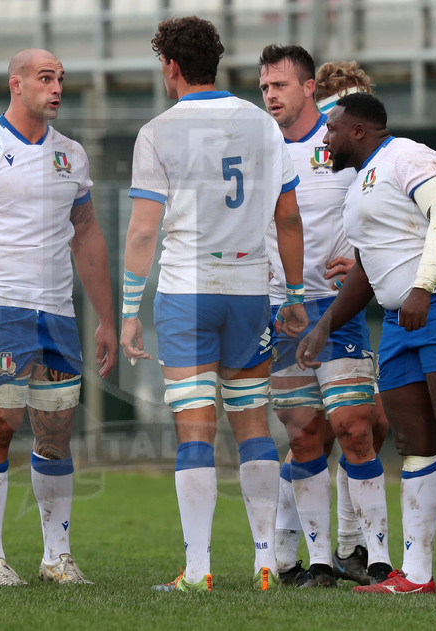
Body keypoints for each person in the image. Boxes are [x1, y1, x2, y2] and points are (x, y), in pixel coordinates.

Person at [121, 17, 307, 593]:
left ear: (171, 68)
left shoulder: (158, 131)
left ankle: (198, 569)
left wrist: (130, 310)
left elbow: (143, 232)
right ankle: (266, 564)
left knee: (195, 433)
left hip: (187, 293)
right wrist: (295, 295)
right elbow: (289, 217)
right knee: (253, 426)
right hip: (250, 290)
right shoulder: (262, 124)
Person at [298, 92, 436, 596]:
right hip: (399, 319)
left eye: (331, 129)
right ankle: (416, 574)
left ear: (357, 131)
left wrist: (423, 287)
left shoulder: (410, 156)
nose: (324, 138)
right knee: (413, 444)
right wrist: (325, 325)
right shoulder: (356, 187)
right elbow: (370, 266)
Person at [0, 48, 117, 587]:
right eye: (45, 78)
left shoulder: (72, 155)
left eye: (61, 78)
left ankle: (56, 556)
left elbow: (86, 234)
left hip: (57, 313)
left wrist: (105, 318)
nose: (56, 87)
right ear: (16, 84)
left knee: (56, 430)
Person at [258, 45, 392, 589]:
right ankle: (314, 563)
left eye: (280, 86)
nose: (270, 96)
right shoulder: (254, 147)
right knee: (305, 434)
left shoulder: (339, 143)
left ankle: (375, 557)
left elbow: (381, 206)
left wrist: (365, 257)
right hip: (280, 311)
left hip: (338, 311)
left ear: (309, 88)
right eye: (264, 87)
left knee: (357, 426)